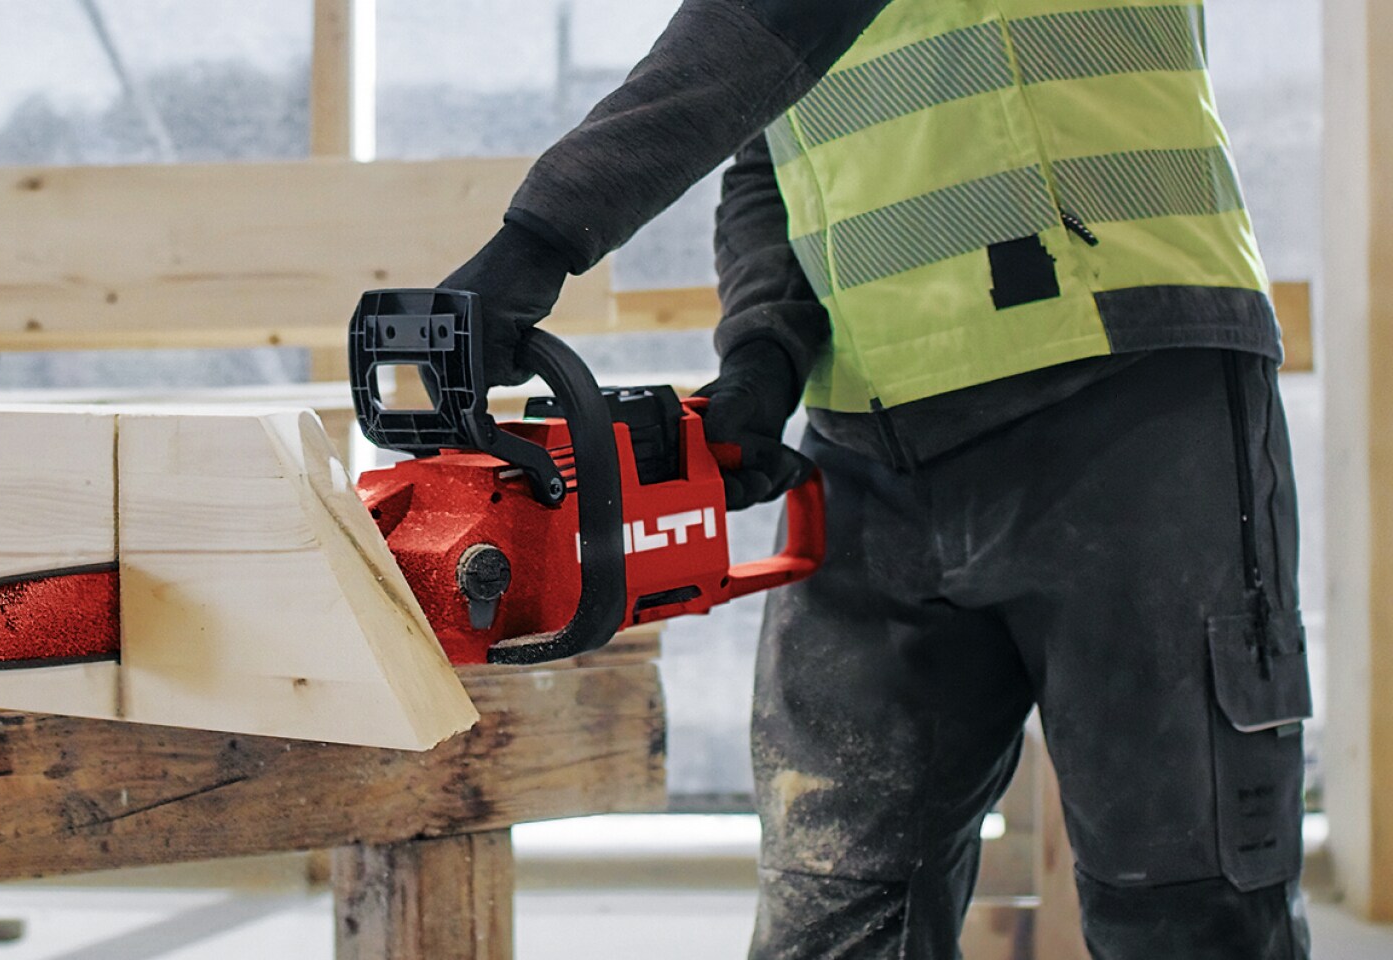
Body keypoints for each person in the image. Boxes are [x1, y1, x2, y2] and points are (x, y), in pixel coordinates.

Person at [439, 1, 1312, 957]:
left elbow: (770, 20)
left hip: (1130, 396)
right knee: (839, 910)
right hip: (870, 441)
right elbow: (776, 147)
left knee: (1185, 911)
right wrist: (767, 347)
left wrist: (544, 234)